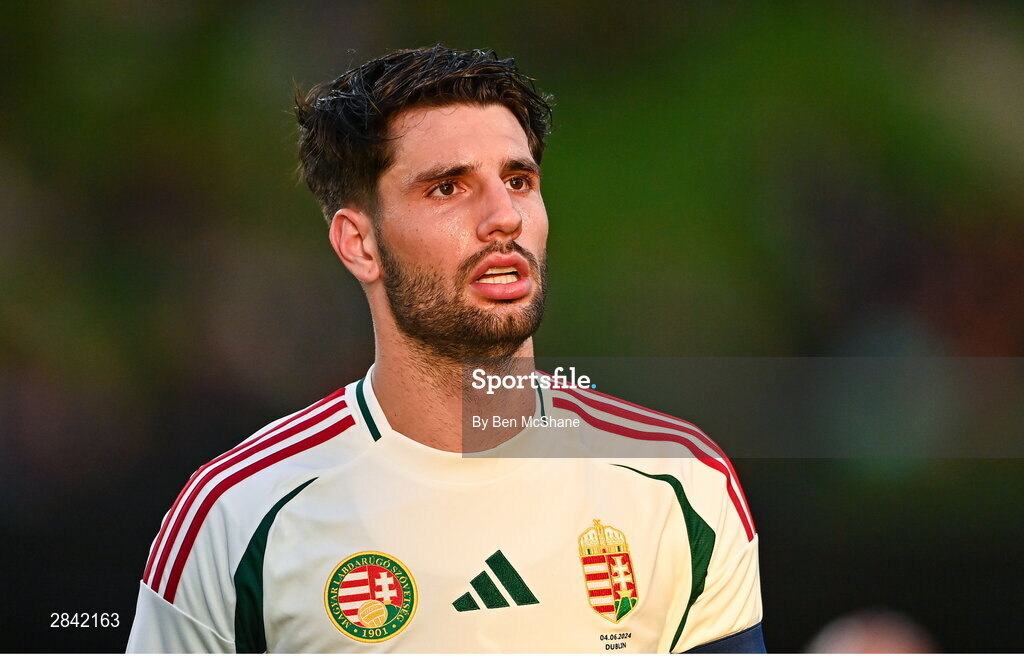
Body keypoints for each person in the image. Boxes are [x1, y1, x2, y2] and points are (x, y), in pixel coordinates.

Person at [127, 45, 764, 653]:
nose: (503, 216)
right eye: (447, 188)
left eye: (518, 180)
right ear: (360, 244)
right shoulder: (238, 516)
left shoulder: (680, 484)